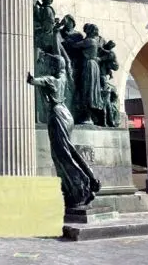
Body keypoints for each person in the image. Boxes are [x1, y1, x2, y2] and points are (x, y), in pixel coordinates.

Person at [27, 54, 101, 208]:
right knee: (68, 151)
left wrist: (28, 73)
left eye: (49, 64)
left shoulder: (50, 79)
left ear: (53, 67)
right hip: (66, 114)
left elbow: (33, 81)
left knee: (61, 154)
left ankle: (83, 186)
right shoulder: (63, 78)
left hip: (56, 115)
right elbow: (65, 63)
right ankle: (88, 179)